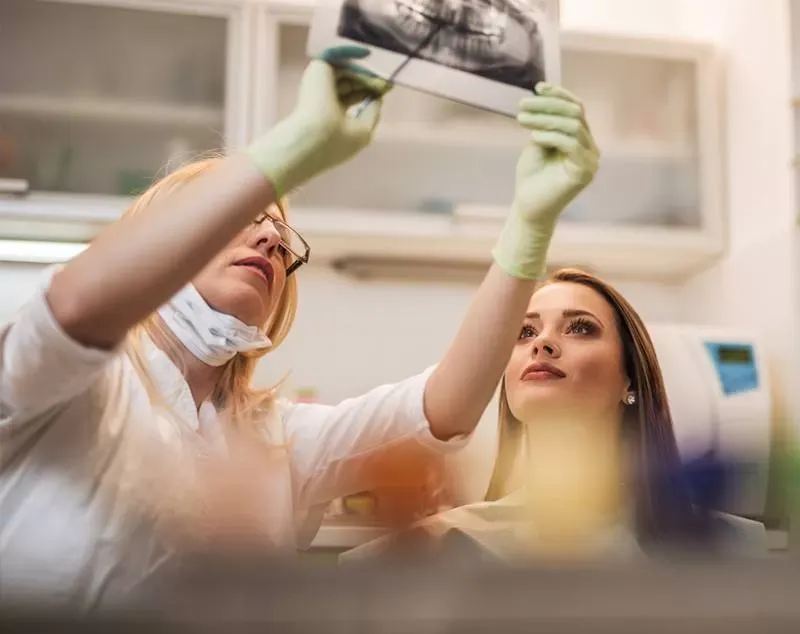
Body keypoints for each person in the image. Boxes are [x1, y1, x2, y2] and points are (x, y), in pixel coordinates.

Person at [0, 44, 599, 607]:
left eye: (281, 236)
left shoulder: (274, 437)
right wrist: (296, 144)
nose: (271, 237)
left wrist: (529, 223)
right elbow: (73, 310)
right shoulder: (76, 383)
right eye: (242, 217)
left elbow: (444, 408)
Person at [342, 269, 768, 563]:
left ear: (630, 377)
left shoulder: (732, 548)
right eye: (525, 332)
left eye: (580, 327)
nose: (541, 343)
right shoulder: (442, 547)